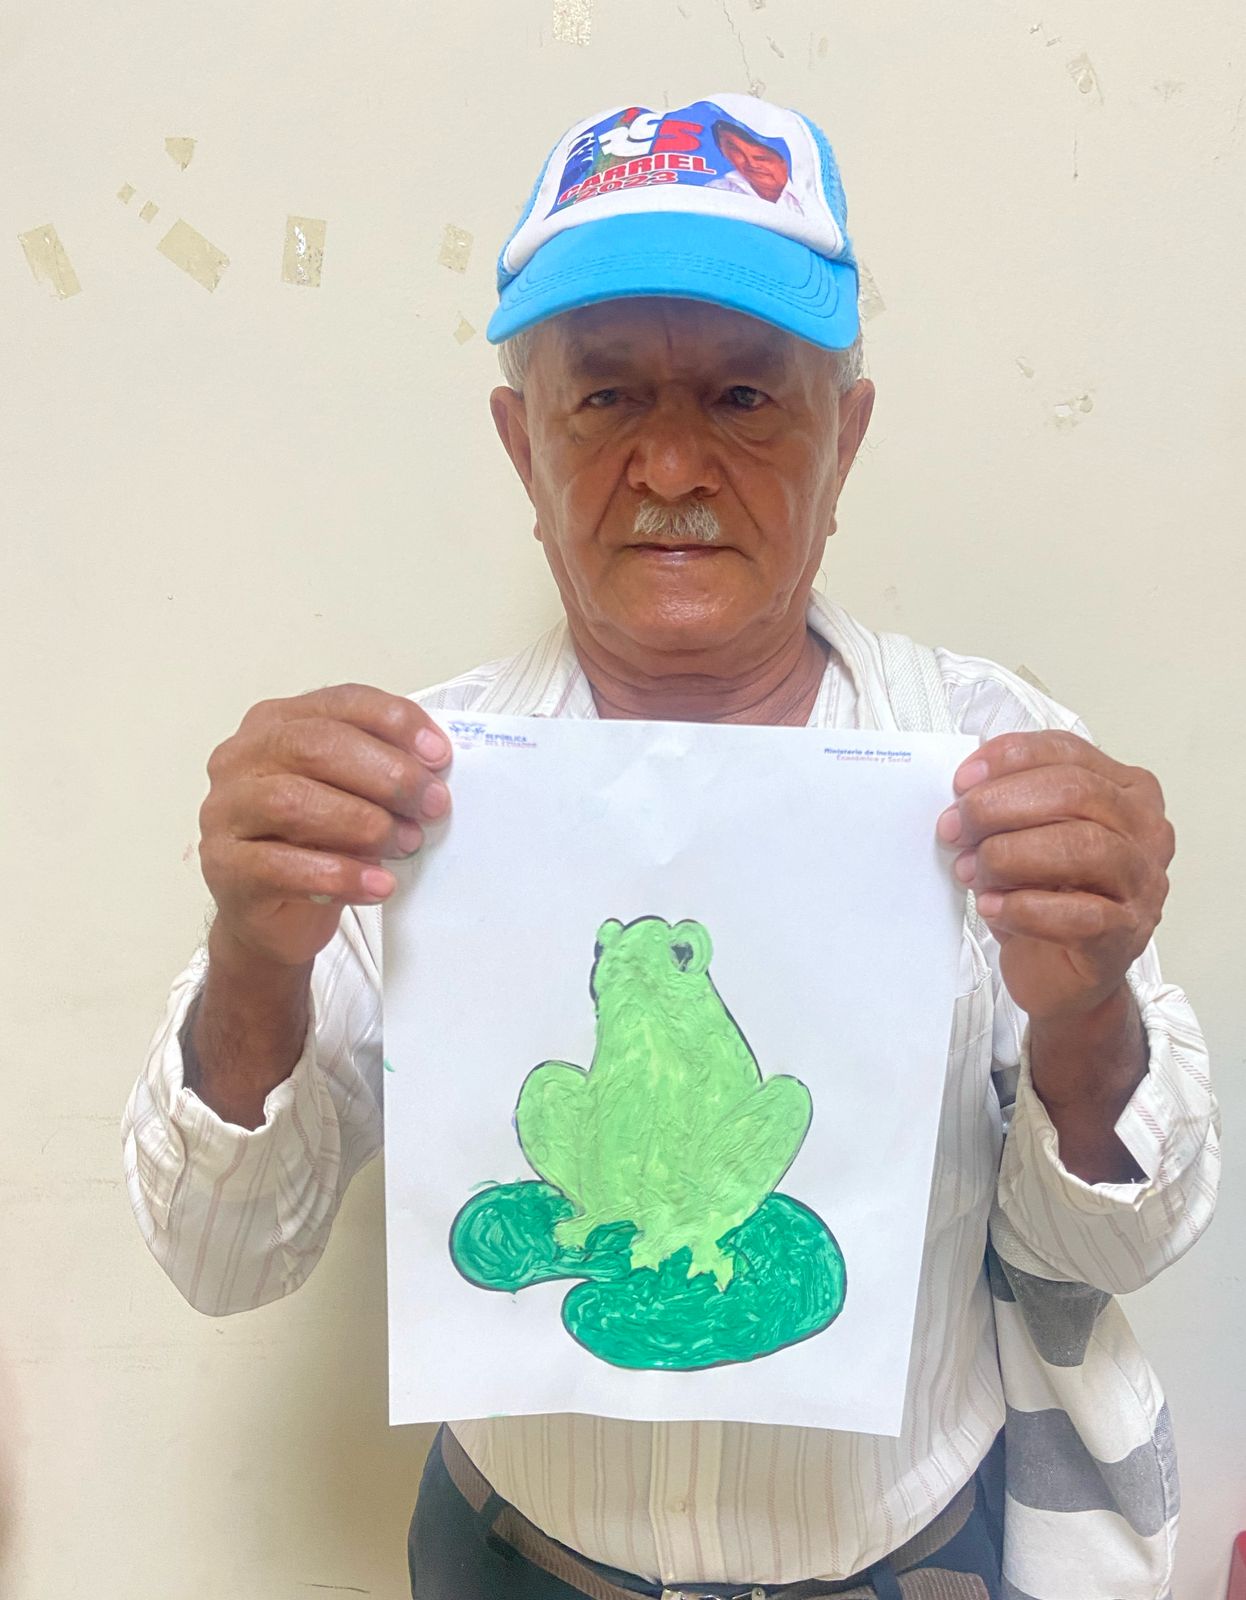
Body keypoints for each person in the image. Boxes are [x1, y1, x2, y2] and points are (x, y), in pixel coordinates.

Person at [122, 91, 1219, 1600]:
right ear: (521, 445)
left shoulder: (991, 763)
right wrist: (255, 955)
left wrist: (1085, 1008)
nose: (672, 467)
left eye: (745, 396)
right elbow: (220, 1259)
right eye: (604, 399)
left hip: (909, 1564)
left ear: (846, 438)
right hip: (518, 1561)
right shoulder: (408, 793)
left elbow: (1107, 1251)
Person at [705, 117, 805, 212]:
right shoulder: (717, 191)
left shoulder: (807, 197)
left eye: (762, 158)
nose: (752, 164)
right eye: (736, 150)